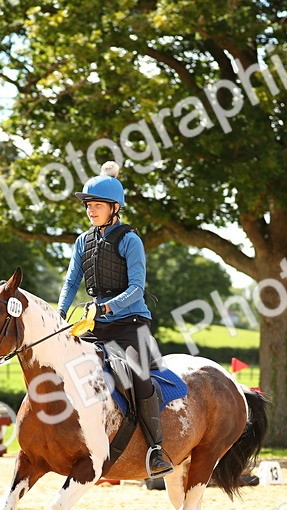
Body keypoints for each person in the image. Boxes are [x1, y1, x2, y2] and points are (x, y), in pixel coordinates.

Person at [57, 161, 173, 478]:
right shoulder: (83, 241)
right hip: (96, 324)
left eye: (96, 205)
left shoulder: (129, 240)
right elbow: (70, 283)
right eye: (88, 206)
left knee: (137, 375)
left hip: (131, 323)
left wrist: (108, 307)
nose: (90, 211)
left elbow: (137, 288)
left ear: (114, 207)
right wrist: (59, 314)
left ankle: (156, 449)